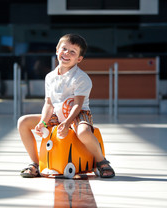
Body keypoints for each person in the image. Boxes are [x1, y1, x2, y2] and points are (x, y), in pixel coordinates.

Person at [18, 33, 115, 178]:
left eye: (72, 52)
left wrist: (67, 123)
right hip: (57, 114)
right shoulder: (50, 77)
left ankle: (102, 161)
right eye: (64, 49)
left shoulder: (81, 78)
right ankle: (36, 164)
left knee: (82, 132)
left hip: (78, 114)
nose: (66, 54)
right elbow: (49, 104)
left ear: (79, 59)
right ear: (57, 50)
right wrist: (43, 122)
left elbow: (78, 105)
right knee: (23, 122)